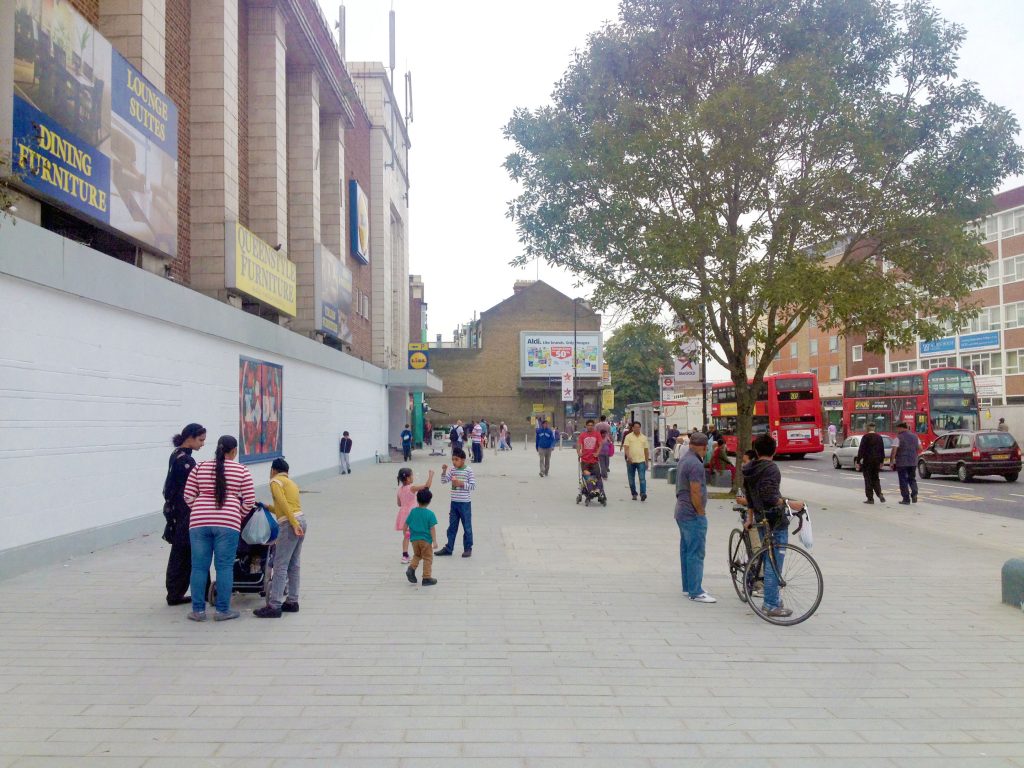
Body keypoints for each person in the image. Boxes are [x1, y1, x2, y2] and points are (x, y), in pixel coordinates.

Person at [183, 435, 256, 622]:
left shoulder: (199, 467)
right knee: (224, 567)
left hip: (199, 522)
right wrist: (236, 514)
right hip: (228, 522)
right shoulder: (242, 470)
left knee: (199, 567)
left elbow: (188, 495)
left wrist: (200, 509)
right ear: (234, 451)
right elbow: (249, 500)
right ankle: (222, 611)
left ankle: (198, 611)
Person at [742, 434, 804, 619]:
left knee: (769, 558)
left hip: (761, 518)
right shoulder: (771, 469)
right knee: (774, 562)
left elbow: (750, 497)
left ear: (756, 450)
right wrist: (790, 503)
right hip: (775, 520)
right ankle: (770, 604)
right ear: (774, 450)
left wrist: (750, 518)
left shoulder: (749, 469)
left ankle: (772, 597)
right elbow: (770, 496)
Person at [254, 458, 306, 618]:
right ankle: (292, 601)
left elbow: (283, 504)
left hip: (290, 524)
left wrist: (293, 523)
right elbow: (283, 507)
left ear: (273, 470)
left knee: (280, 565)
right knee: (294, 564)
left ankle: (274, 605)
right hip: (302, 520)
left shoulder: (275, 481)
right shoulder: (291, 484)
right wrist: (267, 507)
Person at [162, 423, 207, 606]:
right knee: (187, 551)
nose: (203, 444)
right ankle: (177, 593)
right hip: (184, 511)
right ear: (190, 438)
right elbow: (195, 487)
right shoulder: (186, 461)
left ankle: (180, 591)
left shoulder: (177, 454)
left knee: (185, 551)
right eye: (200, 440)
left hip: (176, 510)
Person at [674, 433, 714, 603]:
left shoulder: (685, 459)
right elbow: (695, 491)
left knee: (686, 550)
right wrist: (700, 511)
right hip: (692, 513)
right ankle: (696, 591)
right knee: (696, 552)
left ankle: (688, 586)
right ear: (704, 447)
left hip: (681, 511)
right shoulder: (696, 464)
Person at [436, 448, 476, 557]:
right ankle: (449, 548)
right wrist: (444, 471)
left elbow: (473, 486)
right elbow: (444, 481)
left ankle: (468, 548)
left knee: (467, 527)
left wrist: (461, 484)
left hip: (465, 504)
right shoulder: (453, 470)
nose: (454, 462)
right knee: (452, 527)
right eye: (453, 459)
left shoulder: (468, 470)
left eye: (456, 459)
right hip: (454, 503)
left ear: (463, 460)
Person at [395, 467, 435, 564]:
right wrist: (430, 475)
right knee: (418, 534)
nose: (413, 477)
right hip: (413, 515)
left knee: (406, 536)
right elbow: (427, 486)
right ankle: (420, 553)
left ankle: (405, 555)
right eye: (412, 475)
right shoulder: (411, 488)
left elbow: (399, 504)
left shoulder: (399, 490)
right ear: (408, 478)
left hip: (403, 515)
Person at [404, 488, 439, 586]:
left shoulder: (413, 511)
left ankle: (411, 569)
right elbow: (432, 529)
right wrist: (434, 541)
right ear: (429, 501)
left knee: (417, 555)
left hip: (414, 540)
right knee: (428, 558)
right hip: (426, 541)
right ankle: (426, 578)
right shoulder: (430, 514)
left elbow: (406, 524)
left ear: (417, 499)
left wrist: (405, 533)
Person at [891, 422, 921, 505]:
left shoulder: (898, 438)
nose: (897, 430)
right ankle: (914, 493)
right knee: (912, 478)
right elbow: (920, 447)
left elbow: (894, 451)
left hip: (902, 462)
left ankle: (906, 499)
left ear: (901, 428)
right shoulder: (915, 436)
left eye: (897, 428)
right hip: (913, 461)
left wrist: (891, 461)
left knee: (903, 480)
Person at [856, 423, 886, 504]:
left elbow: (861, 450)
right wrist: (882, 461)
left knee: (868, 479)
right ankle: (879, 494)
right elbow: (882, 450)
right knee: (876, 478)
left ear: (867, 428)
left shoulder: (865, 437)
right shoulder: (879, 437)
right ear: (874, 428)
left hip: (867, 461)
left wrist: (858, 461)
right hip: (877, 461)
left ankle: (870, 498)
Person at [622, 421, 651, 501]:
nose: (637, 429)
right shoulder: (628, 437)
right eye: (635, 427)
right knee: (631, 479)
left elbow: (646, 451)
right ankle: (634, 493)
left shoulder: (644, 438)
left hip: (641, 461)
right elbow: (626, 448)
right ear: (632, 428)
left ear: (640, 428)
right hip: (630, 461)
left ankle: (643, 493)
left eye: (638, 427)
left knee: (642, 478)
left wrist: (647, 462)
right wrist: (628, 457)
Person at [576, 419, 604, 488]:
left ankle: (599, 490)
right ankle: (591, 489)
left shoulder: (597, 434)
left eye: (591, 425)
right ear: (586, 426)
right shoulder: (582, 435)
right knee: (587, 476)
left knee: (598, 476)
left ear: (593, 426)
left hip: (594, 460)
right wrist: (578, 452)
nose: (590, 427)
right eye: (588, 425)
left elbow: (600, 444)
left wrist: (597, 453)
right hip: (585, 460)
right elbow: (578, 444)